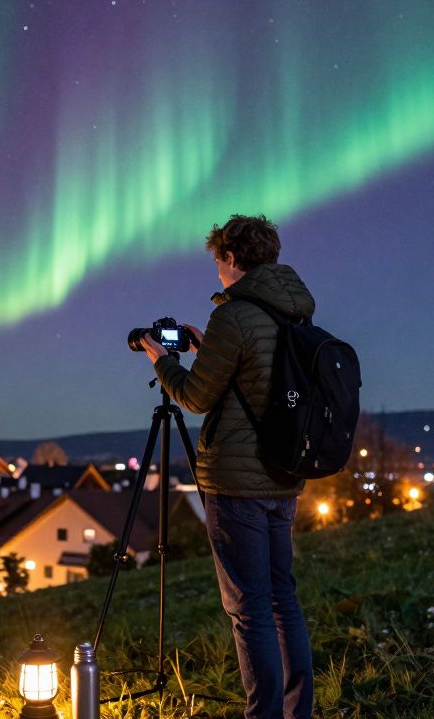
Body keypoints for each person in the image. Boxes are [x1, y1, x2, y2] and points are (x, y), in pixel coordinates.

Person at [138, 214, 316, 719]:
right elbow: (255, 377)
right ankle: (296, 710)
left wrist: (161, 359)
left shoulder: (234, 315)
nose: (216, 270)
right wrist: (206, 347)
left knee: (249, 609)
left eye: (218, 260)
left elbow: (195, 397)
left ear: (232, 259)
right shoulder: (294, 312)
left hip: (236, 483)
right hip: (283, 475)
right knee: (283, 597)